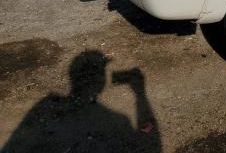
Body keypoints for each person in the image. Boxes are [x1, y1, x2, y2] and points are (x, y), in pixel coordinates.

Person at [2, 51, 161, 153]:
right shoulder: (118, 121)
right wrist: (140, 93)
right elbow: (153, 146)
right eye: (100, 73)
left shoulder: (44, 107)